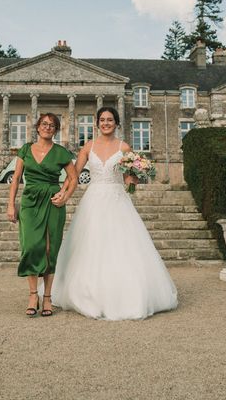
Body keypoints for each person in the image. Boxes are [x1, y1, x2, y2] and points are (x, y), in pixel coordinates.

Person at [51, 107, 178, 320]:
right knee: (90, 245)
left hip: (118, 200)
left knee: (121, 246)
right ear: (97, 123)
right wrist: (63, 193)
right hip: (93, 200)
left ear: (116, 123)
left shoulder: (124, 147)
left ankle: (124, 294)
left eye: (110, 120)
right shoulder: (88, 146)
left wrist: (134, 180)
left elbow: (129, 180)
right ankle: (88, 293)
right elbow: (74, 175)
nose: (106, 123)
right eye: (102, 120)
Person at [7, 112, 78, 317]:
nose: (48, 127)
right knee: (30, 246)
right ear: (37, 127)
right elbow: (16, 178)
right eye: (44, 124)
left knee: (49, 248)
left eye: (52, 125)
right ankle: (32, 294)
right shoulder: (26, 149)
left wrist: (64, 196)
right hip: (29, 201)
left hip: (52, 202)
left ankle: (47, 297)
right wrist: (11, 205)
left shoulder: (61, 152)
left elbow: (73, 179)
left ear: (56, 130)